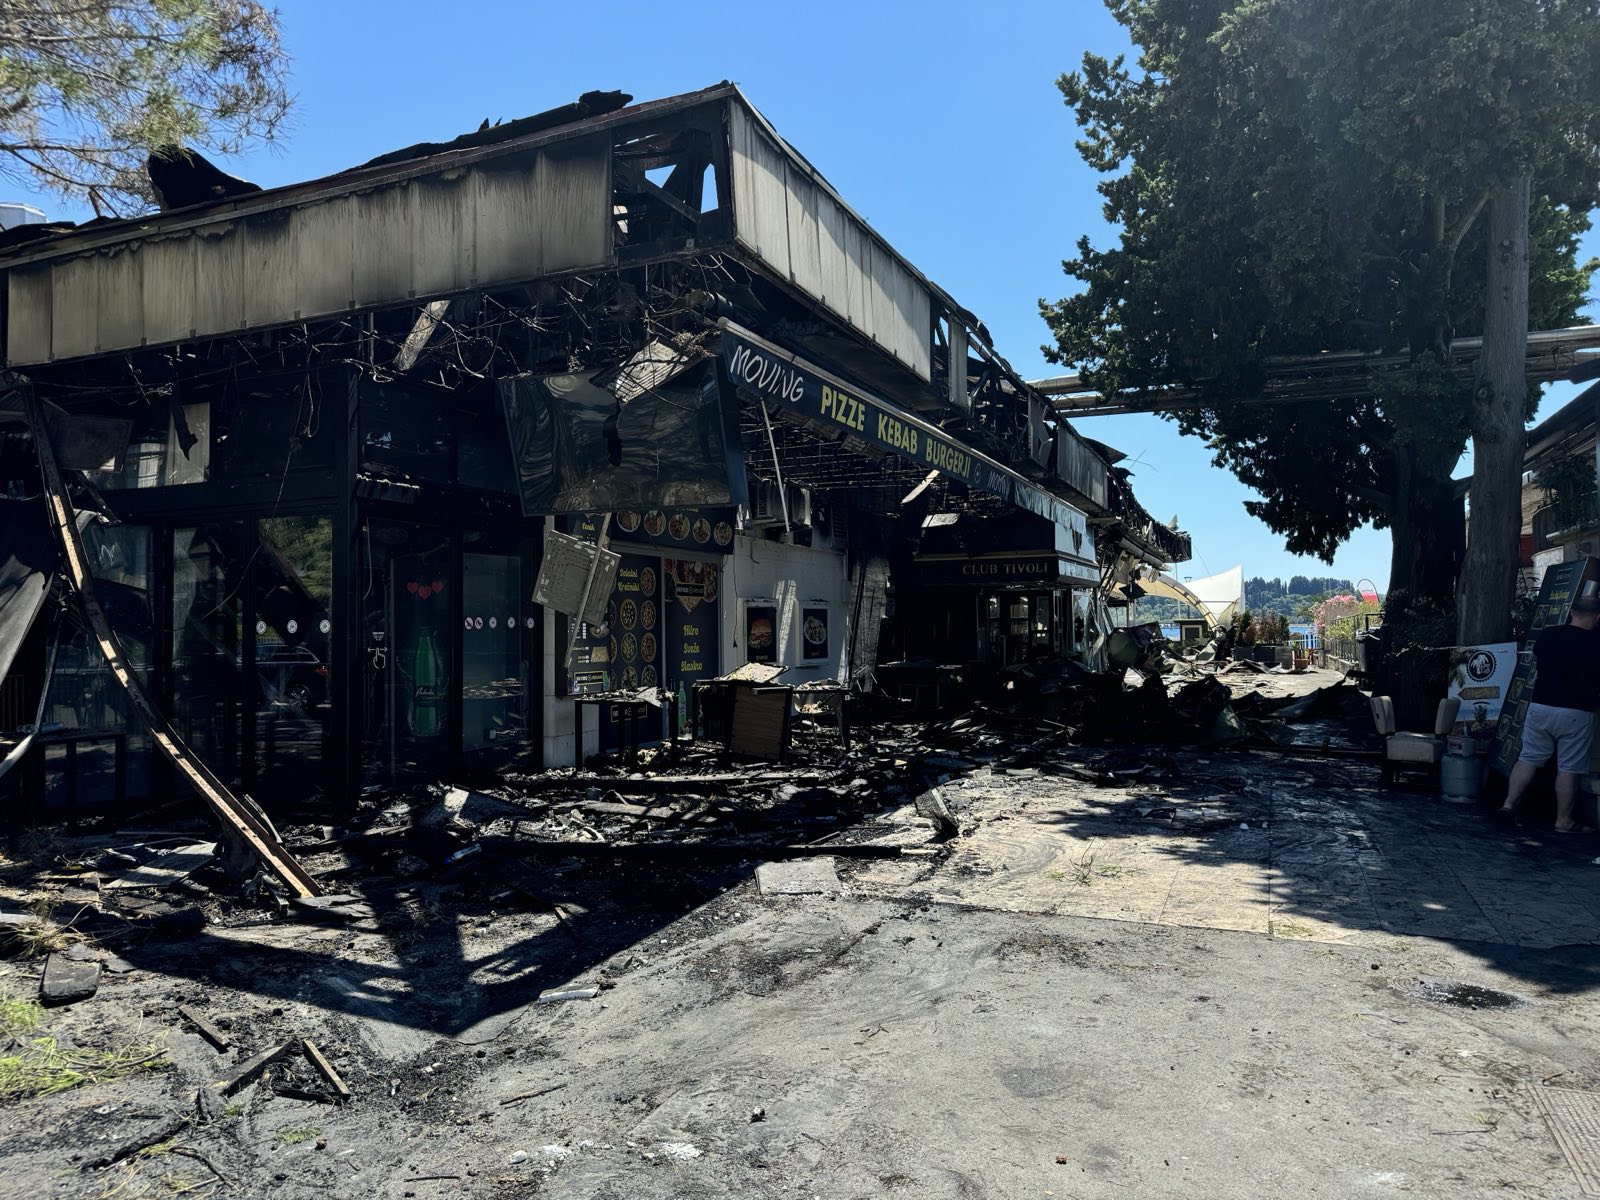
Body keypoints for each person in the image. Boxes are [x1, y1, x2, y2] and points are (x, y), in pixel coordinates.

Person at [1496, 594, 1600, 831]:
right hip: (1576, 712)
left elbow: (1539, 659)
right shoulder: (1596, 643)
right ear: (1597, 617)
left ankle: (1508, 805)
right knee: (1568, 768)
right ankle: (1563, 821)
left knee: (1528, 758)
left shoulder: (1549, 635)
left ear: (1572, 612)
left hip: (1541, 706)